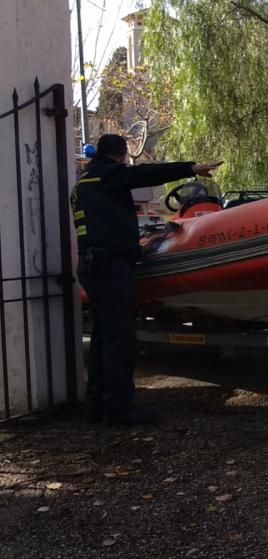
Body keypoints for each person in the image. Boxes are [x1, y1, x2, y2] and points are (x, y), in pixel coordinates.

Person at [72, 134, 222, 425]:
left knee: (104, 337)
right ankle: (120, 410)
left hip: (91, 265)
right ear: (121, 155)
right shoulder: (108, 175)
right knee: (121, 340)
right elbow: (147, 173)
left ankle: (97, 406)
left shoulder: (82, 183)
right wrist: (191, 168)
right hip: (111, 265)